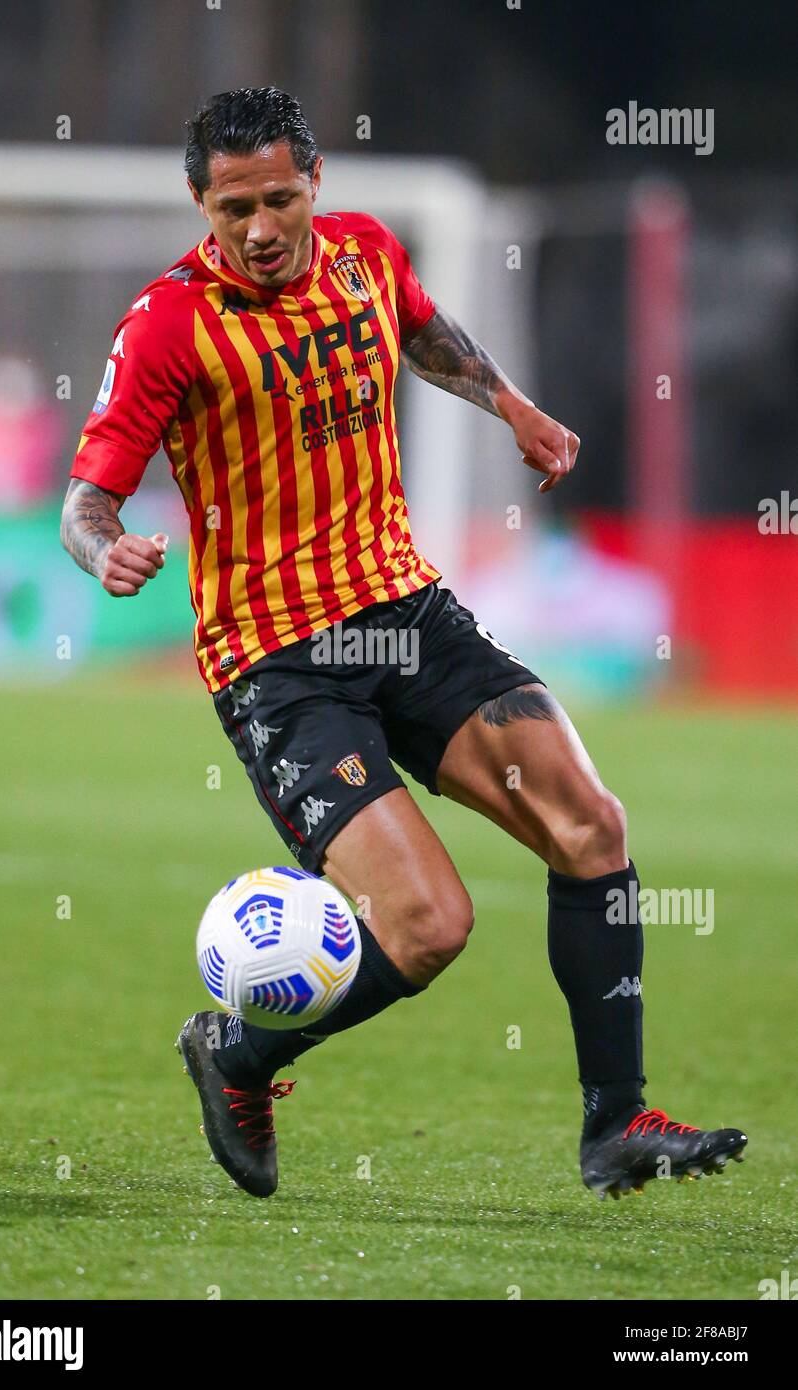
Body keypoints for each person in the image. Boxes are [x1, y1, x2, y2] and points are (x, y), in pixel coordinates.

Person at [60, 87, 746, 1201]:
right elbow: (86, 501)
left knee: (591, 824)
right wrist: (107, 553)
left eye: (282, 198)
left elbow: (421, 330)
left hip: (405, 612)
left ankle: (614, 1124)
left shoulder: (366, 255)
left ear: (315, 186)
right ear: (201, 202)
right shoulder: (166, 325)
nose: (264, 227)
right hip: (278, 661)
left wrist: (511, 406)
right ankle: (235, 1053)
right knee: (428, 925)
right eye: (237, 207)